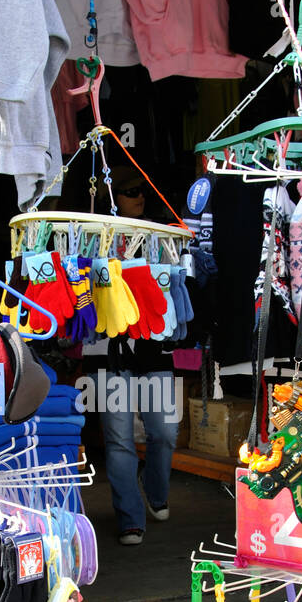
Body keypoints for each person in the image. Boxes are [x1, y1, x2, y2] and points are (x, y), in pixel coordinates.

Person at [97, 165, 180, 545]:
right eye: (130, 191)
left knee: (164, 430)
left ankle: (155, 489)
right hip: (105, 347)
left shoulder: (158, 235)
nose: (140, 196)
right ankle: (130, 517)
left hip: (152, 345)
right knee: (118, 439)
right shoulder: (91, 237)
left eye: (142, 189)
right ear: (112, 198)